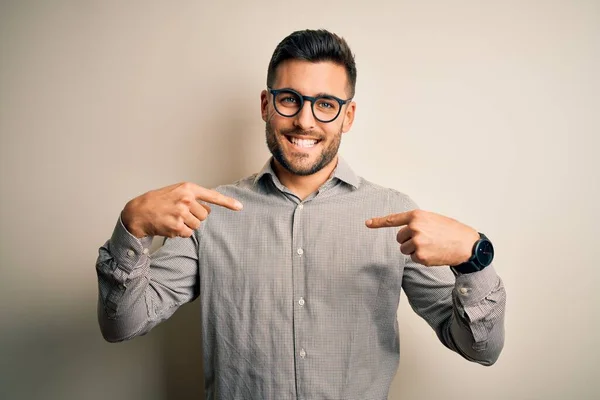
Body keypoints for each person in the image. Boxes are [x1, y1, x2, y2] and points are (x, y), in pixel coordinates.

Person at [96, 29, 506, 399]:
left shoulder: (393, 214)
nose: (304, 121)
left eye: (325, 103)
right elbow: (122, 325)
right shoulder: (208, 214)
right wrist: (131, 228)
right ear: (266, 104)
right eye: (290, 99)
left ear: (348, 115)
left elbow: (481, 349)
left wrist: (474, 258)